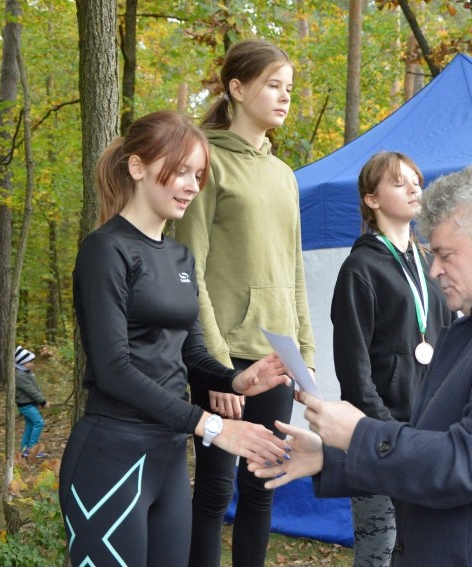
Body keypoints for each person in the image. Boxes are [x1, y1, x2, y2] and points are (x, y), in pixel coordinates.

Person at [251, 163, 472, 566]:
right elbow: (432, 441)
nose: (434, 269)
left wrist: (359, 434)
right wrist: (331, 458)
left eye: (446, 255)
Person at [58, 110, 293, 567]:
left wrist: (237, 381)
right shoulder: (106, 250)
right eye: (180, 170)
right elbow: (113, 369)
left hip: (167, 456)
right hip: (111, 456)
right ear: (137, 166)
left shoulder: (180, 255)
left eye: (198, 174)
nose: (191, 184)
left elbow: (191, 354)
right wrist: (213, 426)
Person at [174, 39, 315, 567]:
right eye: (273, 85)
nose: (283, 98)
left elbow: (294, 269)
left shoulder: (285, 175)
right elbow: (192, 270)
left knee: (263, 490)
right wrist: (214, 371)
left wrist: (304, 354)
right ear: (237, 89)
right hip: (225, 355)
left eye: (289, 89)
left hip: (277, 358)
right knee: (214, 493)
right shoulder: (205, 162)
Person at [330, 152, 453, 566]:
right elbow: (353, 370)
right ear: (372, 200)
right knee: (378, 553)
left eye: (416, 180)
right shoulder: (359, 268)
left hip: (432, 436)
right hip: (380, 440)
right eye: (399, 182)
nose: (414, 187)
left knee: (427, 551)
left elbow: (451, 344)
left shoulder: (433, 266)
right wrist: (385, 435)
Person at [15, 345, 49, 459]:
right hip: (25, 405)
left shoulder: (27, 372)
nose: (32, 364)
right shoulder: (19, 375)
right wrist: (43, 401)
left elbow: (35, 388)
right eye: (29, 362)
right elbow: (31, 390)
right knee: (39, 422)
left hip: (29, 404)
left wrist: (39, 402)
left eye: (32, 362)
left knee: (29, 426)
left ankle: (24, 450)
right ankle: (32, 449)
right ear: (21, 362)